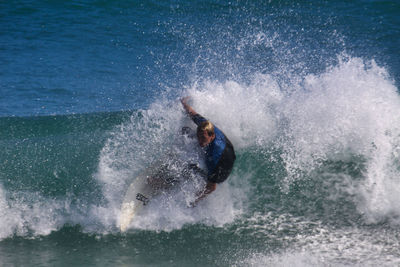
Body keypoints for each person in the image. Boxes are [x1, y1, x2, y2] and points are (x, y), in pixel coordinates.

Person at [181, 97, 236, 206]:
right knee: (185, 131)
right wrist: (184, 103)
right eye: (199, 137)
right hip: (224, 148)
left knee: (188, 169)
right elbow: (193, 113)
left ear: (212, 136)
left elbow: (211, 187)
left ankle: (162, 183)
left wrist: (194, 201)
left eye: (203, 138)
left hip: (222, 168)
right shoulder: (206, 126)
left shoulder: (214, 156)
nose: (200, 140)